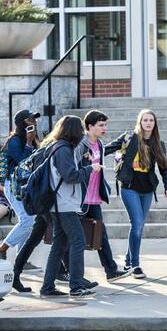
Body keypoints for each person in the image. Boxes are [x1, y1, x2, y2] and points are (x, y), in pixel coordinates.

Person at [105, 109, 167, 279]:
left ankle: (129, 261)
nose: (148, 123)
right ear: (140, 122)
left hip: (147, 189)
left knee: (139, 226)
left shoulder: (158, 143)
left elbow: (165, 167)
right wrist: (90, 154)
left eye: (151, 120)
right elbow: (108, 148)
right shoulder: (130, 138)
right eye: (145, 120)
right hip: (129, 187)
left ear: (154, 123)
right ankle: (135, 265)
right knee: (137, 224)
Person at [39, 115, 100, 298]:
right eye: (80, 129)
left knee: (59, 245)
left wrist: (83, 160)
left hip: (59, 204)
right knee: (78, 241)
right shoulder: (63, 149)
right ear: (74, 130)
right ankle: (76, 286)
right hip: (63, 205)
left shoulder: (60, 147)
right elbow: (70, 176)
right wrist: (91, 169)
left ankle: (47, 287)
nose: (82, 133)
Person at [75, 110, 131, 283]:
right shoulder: (80, 145)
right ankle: (67, 272)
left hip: (94, 199)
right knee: (74, 238)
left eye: (105, 125)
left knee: (101, 235)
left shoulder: (99, 144)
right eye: (101, 125)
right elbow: (72, 171)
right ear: (90, 126)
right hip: (79, 199)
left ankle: (111, 271)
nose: (104, 128)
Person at [0, 110, 41, 262]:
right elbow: (22, 163)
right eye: (31, 119)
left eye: (34, 119)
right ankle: (3, 248)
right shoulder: (14, 141)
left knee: (30, 219)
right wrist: (29, 143)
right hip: (13, 186)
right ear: (23, 122)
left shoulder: (34, 139)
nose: (34, 121)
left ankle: (22, 259)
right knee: (26, 220)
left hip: (27, 186)